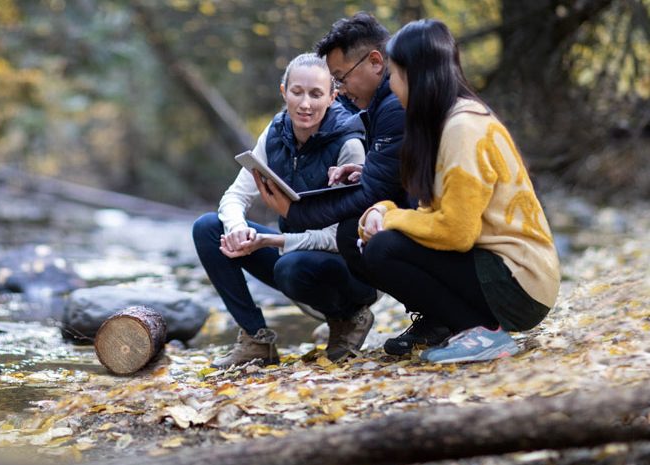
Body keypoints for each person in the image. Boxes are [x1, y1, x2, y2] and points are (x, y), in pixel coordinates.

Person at [355, 19, 560, 363]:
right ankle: (464, 327)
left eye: (393, 74)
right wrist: (384, 213)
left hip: (519, 283)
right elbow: (434, 216)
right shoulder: (448, 124)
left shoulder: (463, 128)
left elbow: (456, 233)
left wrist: (390, 218)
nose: (390, 84)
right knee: (380, 242)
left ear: (415, 76)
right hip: (505, 272)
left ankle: (480, 332)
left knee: (384, 250)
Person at [252, 13, 439, 351]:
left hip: (444, 224)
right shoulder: (381, 105)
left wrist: (296, 213)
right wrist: (361, 173)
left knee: (355, 231)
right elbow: (390, 177)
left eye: (340, 78)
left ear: (375, 62)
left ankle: (439, 316)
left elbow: (376, 193)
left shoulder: (394, 105)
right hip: (427, 216)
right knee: (356, 230)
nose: (340, 90)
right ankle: (433, 315)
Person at [192, 53, 378, 368]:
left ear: (332, 97)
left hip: (349, 273)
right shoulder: (276, 133)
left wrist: (268, 242)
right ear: (284, 92)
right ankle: (255, 339)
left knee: (289, 267)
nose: (305, 103)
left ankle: (350, 317)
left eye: (316, 94)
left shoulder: (349, 143)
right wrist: (237, 228)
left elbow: (342, 237)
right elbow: (235, 195)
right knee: (208, 227)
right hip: (293, 258)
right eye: (297, 92)